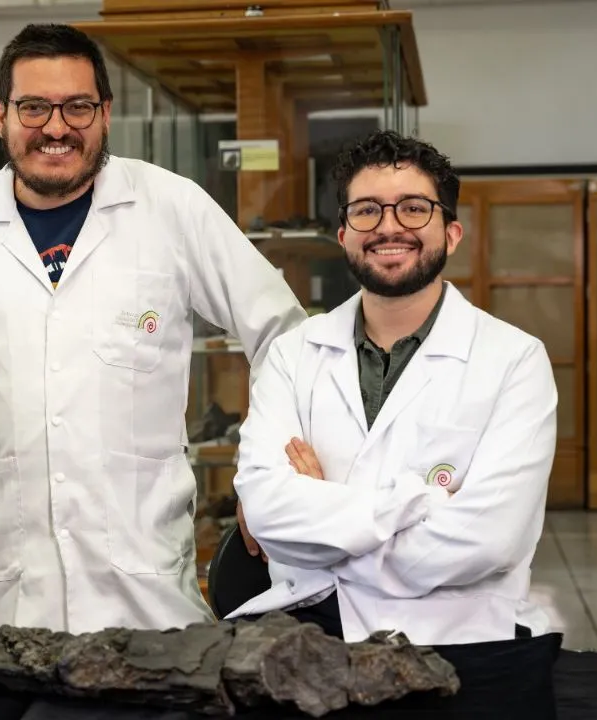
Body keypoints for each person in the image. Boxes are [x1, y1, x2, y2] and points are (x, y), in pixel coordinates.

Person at [0, 23, 308, 634]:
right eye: (34, 106)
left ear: (106, 113)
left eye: (78, 107)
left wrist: (267, 479)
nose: (57, 127)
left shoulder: (173, 209)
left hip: (146, 595)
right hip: (2, 595)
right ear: (1, 114)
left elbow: (285, 336)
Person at [230, 130, 557, 648]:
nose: (388, 227)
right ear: (342, 235)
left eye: (412, 209)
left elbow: (489, 539)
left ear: (451, 232)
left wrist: (324, 518)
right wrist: (414, 502)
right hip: (308, 628)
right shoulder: (294, 355)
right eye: (366, 211)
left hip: (461, 637)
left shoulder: (514, 359)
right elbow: (269, 515)